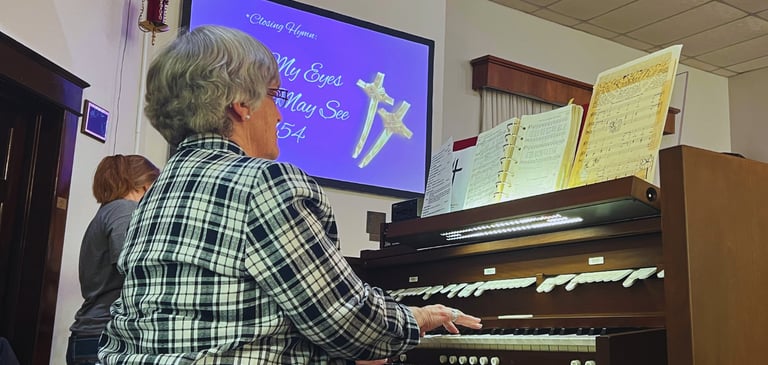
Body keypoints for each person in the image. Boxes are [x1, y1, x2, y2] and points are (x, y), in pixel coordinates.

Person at [98, 25, 482, 365]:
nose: (280, 115)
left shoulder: (155, 195)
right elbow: (344, 319)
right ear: (240, 105)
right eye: (274, 95)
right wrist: (418, 317)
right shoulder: (265, 182)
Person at [67, 154, 160, 365]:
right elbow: (132, 270)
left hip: (90, 336)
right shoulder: (125, 211)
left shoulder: (107, 212)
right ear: (145, 187)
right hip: (103, 338)